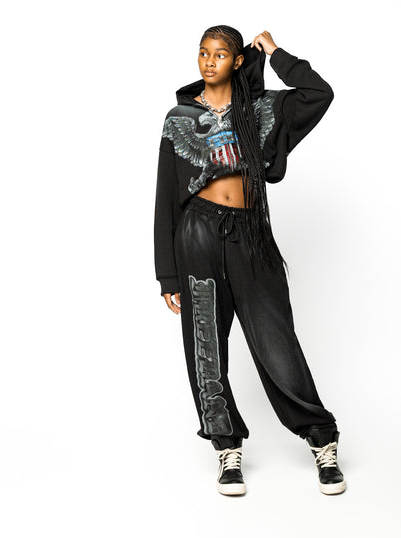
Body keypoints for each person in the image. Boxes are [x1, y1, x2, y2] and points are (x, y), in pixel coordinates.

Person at [153, 25, 346, 496]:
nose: (209, 61)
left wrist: (276, 53)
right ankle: (226, 448)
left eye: (220, 54)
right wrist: (167, 274)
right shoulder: (179, 118)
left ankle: (321, 438)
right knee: (205, 345)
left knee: (276, 338)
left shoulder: (262, 109)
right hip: (196, 235)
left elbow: (318, 94)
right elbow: (166, 197)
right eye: (203, 52)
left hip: (250, 234)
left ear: (238, 60)